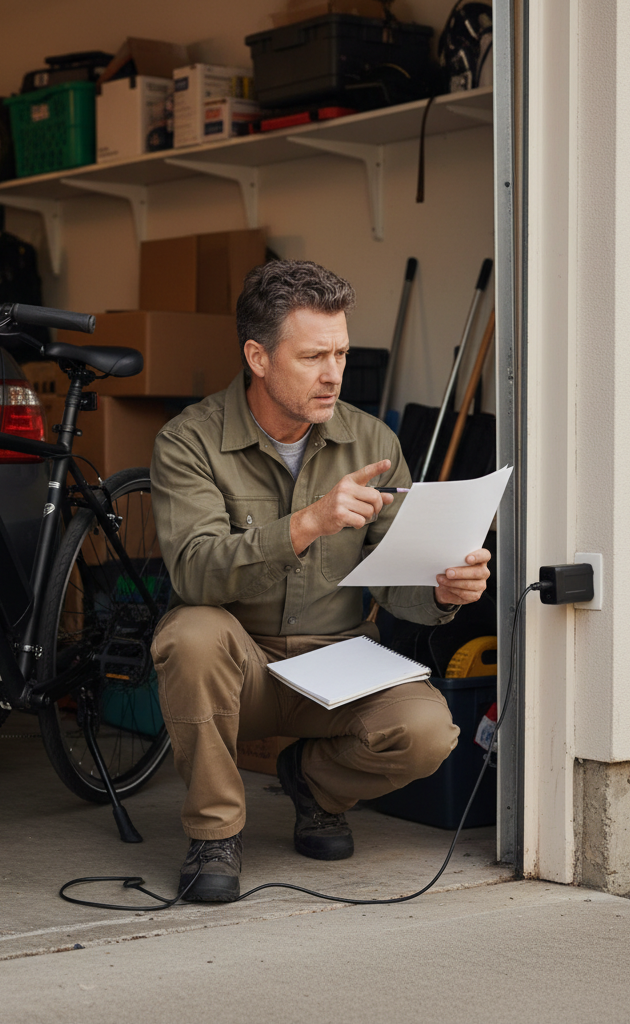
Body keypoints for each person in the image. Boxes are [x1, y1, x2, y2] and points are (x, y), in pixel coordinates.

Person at [149, 260, 492, 902]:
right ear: (257, 356)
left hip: (336, 664)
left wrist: (443, 590)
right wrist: (305, 524)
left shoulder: (372, 439)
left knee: (428, 732)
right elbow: (195, 570)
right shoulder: (187, 442)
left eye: (340, 352)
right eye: (312, 356)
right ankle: (215, 833)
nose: (333, 373)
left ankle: (314, 784)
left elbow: (399, 579)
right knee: (190, 635)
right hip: (237, 665)